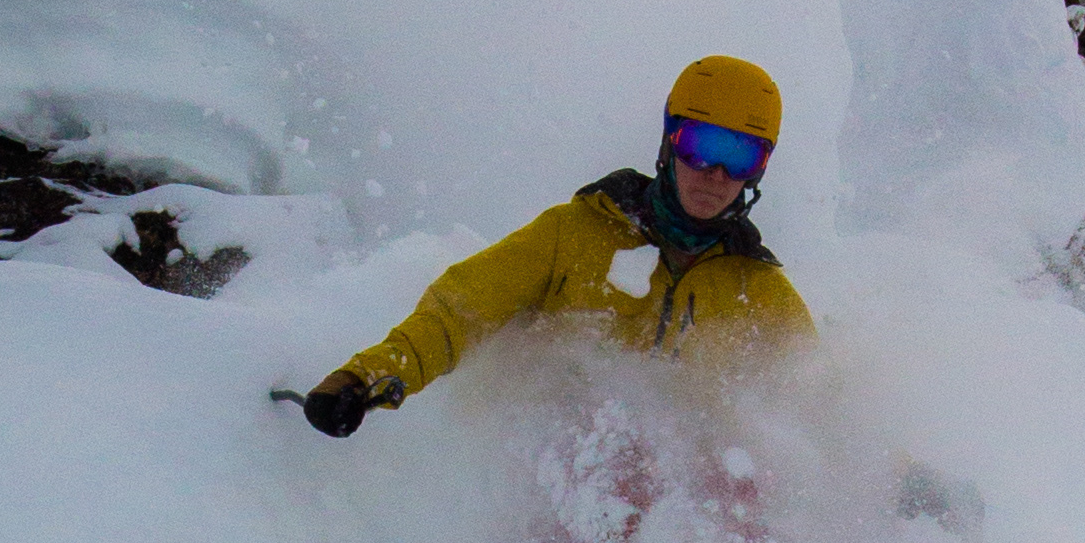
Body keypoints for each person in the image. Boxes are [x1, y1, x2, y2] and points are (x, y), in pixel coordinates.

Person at [298, 57, 812, 435]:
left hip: (676, 488)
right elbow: (462, 310)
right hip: (560, 458)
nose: (717, 174)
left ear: (758, 170)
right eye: (702, 147)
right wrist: (364, 379)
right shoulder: (576, 235)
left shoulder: (760, 292)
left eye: (740, 156)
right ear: (669, 141)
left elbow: (817, 401)